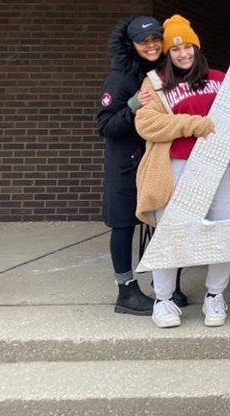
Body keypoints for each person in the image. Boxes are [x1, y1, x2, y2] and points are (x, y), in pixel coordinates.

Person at [135, 15, 230, 329]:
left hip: (219, 164)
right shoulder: (156, 82)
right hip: (176, 164)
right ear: (168, 53)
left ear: (197, 48)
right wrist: (194, 125)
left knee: (226, 228)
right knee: (170, 231)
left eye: (187, 46)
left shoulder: (218, 78)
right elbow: (146, 123)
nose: (183, 53)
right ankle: (163, 299)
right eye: (175, 49)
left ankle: (215, 294)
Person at [97, 16, 163, 316]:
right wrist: (133, 106)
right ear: (132, 44)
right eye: (143, 41)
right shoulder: (120, 78)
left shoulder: (161, 73)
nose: (151, 46)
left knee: (160, 222)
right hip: (126, 165)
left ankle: (166, 285)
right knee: (123, 226)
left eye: (155, 39)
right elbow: (106, 126)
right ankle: (126, 291)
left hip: (155, 162)